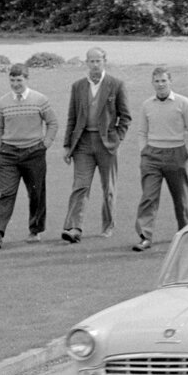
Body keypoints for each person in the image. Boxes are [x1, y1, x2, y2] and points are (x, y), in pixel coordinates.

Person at [60, 47, 132, 243]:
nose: (94, 65)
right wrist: (67, 145)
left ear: (104, 61)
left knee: (108, 188)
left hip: (107, 144)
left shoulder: (116, 85)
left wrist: (117, 138)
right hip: (82, 144)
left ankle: (108, 226)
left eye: (97, 61)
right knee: (80, 186)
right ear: (86, 63)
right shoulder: (78, 86)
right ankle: (74, 228)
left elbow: (125, 117)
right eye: (90, 61)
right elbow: (72, 117)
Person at [0, 62, 57, 249]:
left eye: (19, 80)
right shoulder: (2, 103)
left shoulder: (40, 100)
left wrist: (45, 144)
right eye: (12, 80)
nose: (15, 84)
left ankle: (35, 230)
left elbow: (52, 123)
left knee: (36, 193)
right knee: (6, 192)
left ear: (26, 79)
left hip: (34, 152)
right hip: (8, 154)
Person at [131, 66, 188, 252]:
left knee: (180, 198)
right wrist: (143, 150)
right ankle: (145, 236)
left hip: (176, 153)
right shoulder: (147, 104)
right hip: (151, 155)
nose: (160, 84)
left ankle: (185, 233)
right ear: (152, 83)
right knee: (148, 197)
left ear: (170, 81)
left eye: (163, 81)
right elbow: (141, 131)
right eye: (157, 81)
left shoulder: (183, 102)